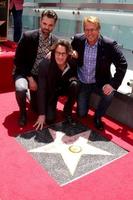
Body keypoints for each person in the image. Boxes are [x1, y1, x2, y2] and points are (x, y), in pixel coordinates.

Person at [71, 16, 127, 130]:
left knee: (109, 94)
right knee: (81, 114)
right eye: (86, 29)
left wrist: (112, 84)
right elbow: (67, 50)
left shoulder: (109, 45)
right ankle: (82, 106)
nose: (89, 32)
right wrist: (71, 54)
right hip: (83, 82)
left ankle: (98, 117)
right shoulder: (78, 40)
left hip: (100, 82)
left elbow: (122, 64)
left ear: (99, 29)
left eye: (93, 29)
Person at [13, 10, 58, 126]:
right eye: (44, 23)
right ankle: (23, 113)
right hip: (24, 73)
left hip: (41, 78)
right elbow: (17, 60)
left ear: (54, 25)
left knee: (39, 110)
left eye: (50, 25)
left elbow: (65, 53)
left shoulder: (55, 41)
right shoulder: (28, 36)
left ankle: (32, 98)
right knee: (21, 88)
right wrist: (30, 78)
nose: (46, 27)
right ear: (40, 21)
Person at [34, 39, 79, 131]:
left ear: (68, 54)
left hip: (63, 88)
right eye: (58, 53)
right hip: (50, 91)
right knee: (49, 119)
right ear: (53, 52)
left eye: (63, 54)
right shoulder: (45, 64)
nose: (60, 57)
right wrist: (42, 114)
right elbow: (42, 89)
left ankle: (67, 111)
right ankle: (30, 96)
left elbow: (75, 74)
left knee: (75, 84)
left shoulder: (72, 62)